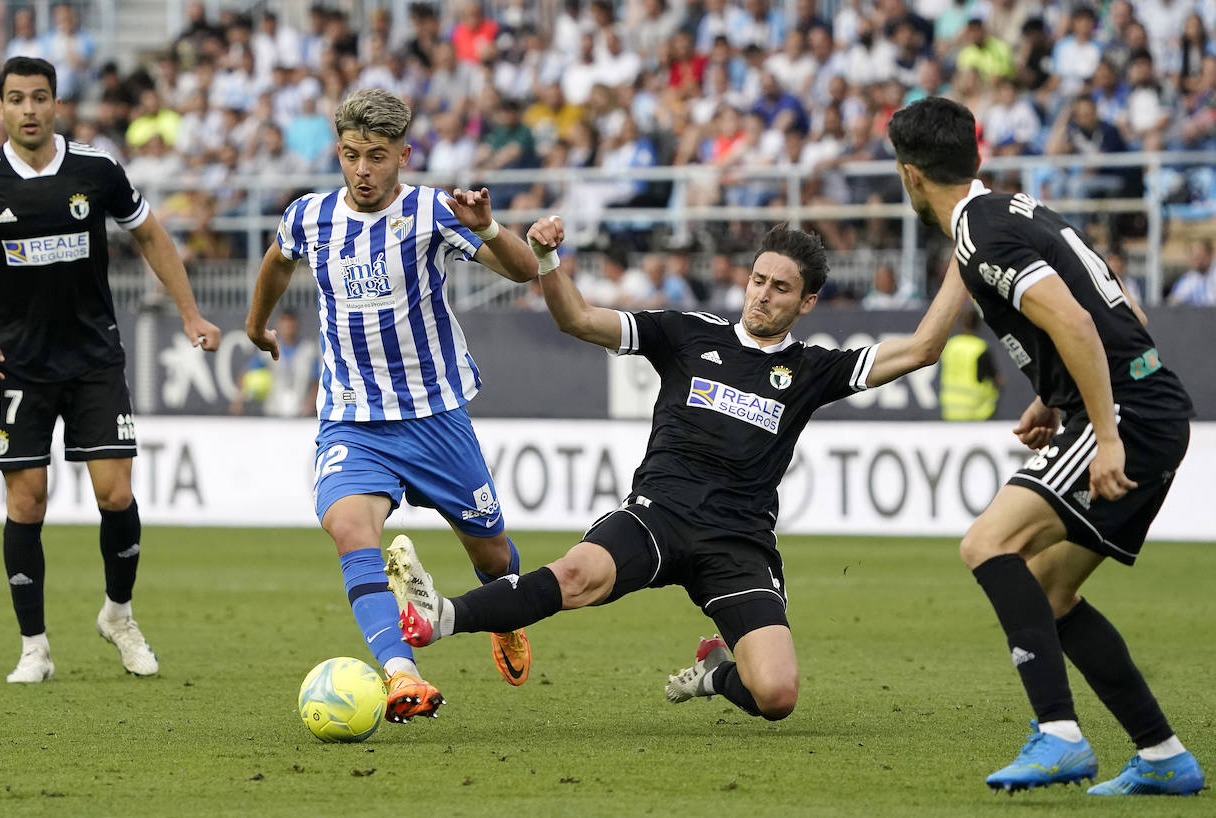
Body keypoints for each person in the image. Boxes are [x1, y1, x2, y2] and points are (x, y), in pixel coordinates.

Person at [386, 219, 969, 727]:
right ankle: (442, 616)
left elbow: (922, 348)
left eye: (781, 288)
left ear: (807, 302)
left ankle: (716, 673)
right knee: (575, 576)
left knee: (777, 695)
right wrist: (547, 260)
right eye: (758, 280)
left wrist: (965, 262)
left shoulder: (814, 369)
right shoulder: (689, 334)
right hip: (657, 517)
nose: (762, 295)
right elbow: (579, 320)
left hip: (737, 543)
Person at [888, 96, 1204, 796]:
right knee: (1050, 591)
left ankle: (1058, 734)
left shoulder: (980, 236)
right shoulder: (1018, 210)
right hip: (1148, 401)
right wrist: (1052, 394)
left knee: (988, 544)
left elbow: (1080, 325)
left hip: (1127, 415)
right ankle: (1162, 755)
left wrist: (1107, 433)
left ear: (910, 176)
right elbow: (1123, 307)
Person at [242, 88, 542, 724]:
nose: (362, 171)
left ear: (402, 155)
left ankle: (503, 614)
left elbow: (522, 271)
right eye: (351, 155)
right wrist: (257, 324)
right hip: (352, 417)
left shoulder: (434, 211)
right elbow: (277, 261)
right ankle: (403, 674)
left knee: (492, 555)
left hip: (435, 416)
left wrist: (487, 224)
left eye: (377, 157)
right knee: (350, 528)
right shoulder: (309, 217)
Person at [0, 57, 222, 684]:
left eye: (39, 97)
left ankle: (118, 615)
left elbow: (150, 235)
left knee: (115, 492)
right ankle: (34, 647)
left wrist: (190, 313)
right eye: (16, 99)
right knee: (27, 502)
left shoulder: (97, 169)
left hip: (93, 357)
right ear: (1, 107)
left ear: (56, 103)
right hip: (17, 367)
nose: (29, 109)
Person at [939, 307, 1001, 420]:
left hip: (950, 409)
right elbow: (996, 380)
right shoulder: (980, 348)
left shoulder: (951, 346)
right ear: (978, 324)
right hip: (976, 410)